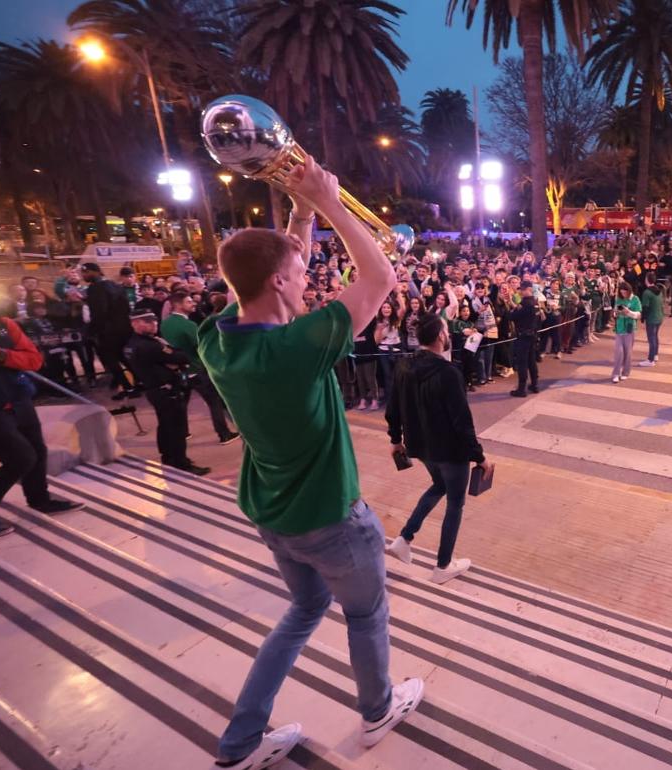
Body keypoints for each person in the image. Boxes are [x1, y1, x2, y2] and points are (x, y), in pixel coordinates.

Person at [197, 157, 422, 769]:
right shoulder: (297, 347)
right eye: (300, 274)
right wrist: (329, 202)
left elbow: (272, 267)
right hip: (331, 518)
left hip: (273, 516)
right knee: (366, 612)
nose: (308, 280)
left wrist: (297, 214)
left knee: (300, 612)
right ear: (277, 285)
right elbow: (379, 278)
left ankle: (239, 743)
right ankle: (378, 711)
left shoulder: (216, 337)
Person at [384, 313, 488, 584]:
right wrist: (480, 457)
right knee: (456, 503)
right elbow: (462, 421)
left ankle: (404, 539)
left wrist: (396, 440)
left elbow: (392, 408)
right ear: (442, 336)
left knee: (438, 486)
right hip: (451, 451)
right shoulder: (449, 373)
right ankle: (442, 566)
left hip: (420, 446)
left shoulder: (404, 366)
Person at [0, 307, 83, 539]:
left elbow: (34, 360)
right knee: (20, 459)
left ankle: (39, 499)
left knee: (38, 452)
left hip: (18, 400)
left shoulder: (2, 324)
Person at [123, 311, 210, 476]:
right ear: (134, 324)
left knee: (165, 426)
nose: (153, 324)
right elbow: (181, 357)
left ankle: (169, 459)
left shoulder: (133, 344)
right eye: (147, 322)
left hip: (156, 390)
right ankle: (181, 463)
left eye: (154, 321)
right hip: (167, 391)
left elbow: (173, 354)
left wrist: (171, 358)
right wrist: (172, 359)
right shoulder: (149, 345)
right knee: (177, 428)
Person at [161, 290, 239, 444]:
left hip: (181, 370)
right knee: (214, 401)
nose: (193, 303)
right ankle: (223, 434)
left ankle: (183, 432)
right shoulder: (187, 324)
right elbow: (201, 344)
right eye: (189, 302)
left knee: (182, 403)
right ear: (178, 305)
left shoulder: (165, 323)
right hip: (196, 368)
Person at [81, 261, 134, 398]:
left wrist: (92, 331)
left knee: (111, 359)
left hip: (107, 331)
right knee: (124, 357)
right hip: (124, 328)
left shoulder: (95, 288)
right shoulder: (116, 286)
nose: (83, 275)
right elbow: (126, 307)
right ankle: (139, 382)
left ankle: (128, 387)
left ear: (95, 271)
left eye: (85, 272)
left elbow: (99, 312)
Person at [507, 282, 540, 397]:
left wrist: (512, 310)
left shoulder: (526, 303)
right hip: (532, 335)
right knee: (531, 362)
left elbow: (513, 316)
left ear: (529, 289)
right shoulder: (534, 302)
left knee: (522, 363)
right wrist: (512, 302)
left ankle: (521, 389)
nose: (520, 291)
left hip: (523, 336)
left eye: (523, 289)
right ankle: (535, 385)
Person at [610, 280, 642, 383]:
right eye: (621, 292)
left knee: (627, 353)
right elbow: (615, 311)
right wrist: (616, 313)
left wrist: (629, 312)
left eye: (625, 292)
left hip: (629, 329)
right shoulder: (619, 299)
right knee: (619, 352)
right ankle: (616, 373)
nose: (623, 294)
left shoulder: (635, 299)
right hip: (619, 328)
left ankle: (625, 372)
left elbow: (638, 314)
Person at [639, 273, 664, 367]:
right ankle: (655, 354)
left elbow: (645, 307)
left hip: (651, 318)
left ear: (647, 280)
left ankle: (650, 360)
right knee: (655, 336)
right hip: (659, 317)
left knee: (651, 338)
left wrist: (642, 318)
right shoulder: (659, 291)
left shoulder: (647, 292)